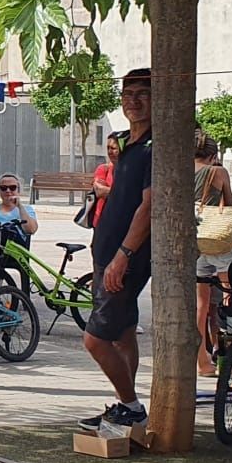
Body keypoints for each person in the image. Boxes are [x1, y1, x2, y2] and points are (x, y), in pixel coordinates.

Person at [81, 67, 154, 429]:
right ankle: (128, 406)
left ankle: (132, 406)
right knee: (124, 333)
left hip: (126, 257)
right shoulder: (128, 145)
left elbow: (149, 206)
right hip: (107, 253)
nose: (134, 101)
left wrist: (123, 256)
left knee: (95, 340)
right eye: (128, 94)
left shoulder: (156, 148)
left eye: (143, 94)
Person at [193, 131, 232, 377]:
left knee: (200, 305)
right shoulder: (217, 172)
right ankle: (229, 358)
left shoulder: (181, 170)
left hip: (195, 240)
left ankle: (202, 362)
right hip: (217, 239)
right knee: (230, 295)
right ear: (213, 155)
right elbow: (230, 207)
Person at [92, 134, 120, 230]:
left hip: (120, 222)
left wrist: (108, 190)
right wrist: (119, 193)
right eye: (108, 148)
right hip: (101, 221)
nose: (109, 152)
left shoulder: (130, 171)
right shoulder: (103, 169)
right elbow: (100, 191)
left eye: (113, 148)